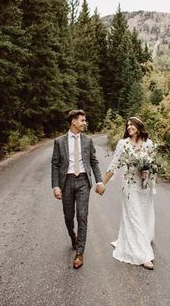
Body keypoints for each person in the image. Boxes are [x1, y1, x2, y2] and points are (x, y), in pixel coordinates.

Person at [99, 116, 156, 270]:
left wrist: (147, 170)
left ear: (139, 126)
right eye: (128, 124)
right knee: (134, 216)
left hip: (145, 185)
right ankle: (144, 256)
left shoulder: (149, 144)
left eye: (132, 124)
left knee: (144, 214)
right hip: (130, 186)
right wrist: (102, 183)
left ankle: (143, 239)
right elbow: (114, 164)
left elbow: (153, 163)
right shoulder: (123, 144)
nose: (129, 126)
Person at [51, 109, 105, 269]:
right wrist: (55, 185)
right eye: (82, 120)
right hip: (66, 181)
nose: (84, 123)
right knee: (69, 217)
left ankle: (80, 253)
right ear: (73, 121)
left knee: (82, 216)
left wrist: (100, 181)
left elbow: (94, 162)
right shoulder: (59, 141)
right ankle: (72, 236)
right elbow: (55, 164)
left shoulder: (88, 141)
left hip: (83, 181)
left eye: (85, 120)